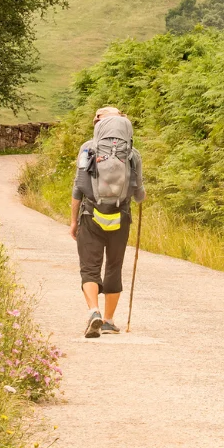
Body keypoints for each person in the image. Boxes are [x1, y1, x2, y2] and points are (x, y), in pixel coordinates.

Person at [70, 106, 145, 338]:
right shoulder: (132, 154)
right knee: (114, 267)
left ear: (98, 124)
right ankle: (109, 321)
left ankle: (94, 311)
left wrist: (73, 221)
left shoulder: (88, 149)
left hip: (91, 215)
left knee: (89, 267)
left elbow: (78, 187)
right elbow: (139, 193)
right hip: (120, 217)